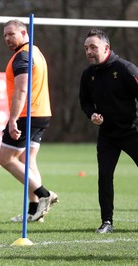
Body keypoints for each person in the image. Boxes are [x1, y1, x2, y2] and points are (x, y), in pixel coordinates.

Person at [0, 19, 58, 223]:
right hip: (42, 113)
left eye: (11, 34)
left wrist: (13, 119)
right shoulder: (36, 51)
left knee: (5, 159)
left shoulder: (22, 56)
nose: (7, 38)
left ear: (24, 32)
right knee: (27, 161)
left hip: (27, 114)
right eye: (5, 34)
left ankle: (44, 194)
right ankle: (35, 212)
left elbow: (22, 89)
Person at [79, 29, 138, 234]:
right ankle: (107, 222)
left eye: (93, 47)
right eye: (86, 48)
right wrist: (92, 114)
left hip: (133, 131)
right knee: (104, 176)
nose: (89, 52)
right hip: (107, 135)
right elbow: (85, 101)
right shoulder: (88, 75)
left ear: (106, 48)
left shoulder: (125, 69)